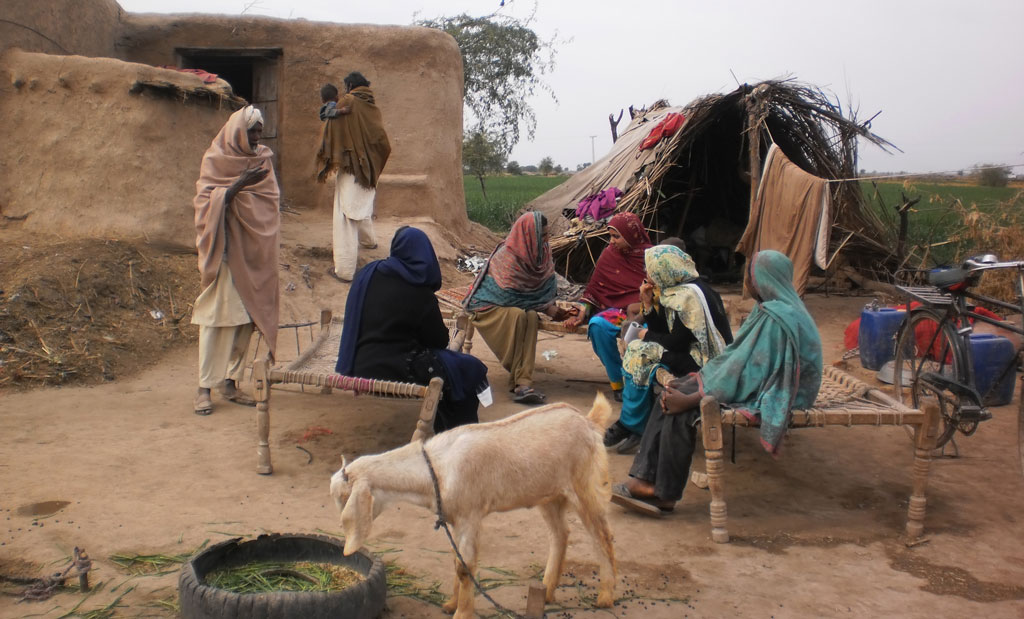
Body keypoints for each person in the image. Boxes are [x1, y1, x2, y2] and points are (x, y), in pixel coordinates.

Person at [610, 250, 823, 517]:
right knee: (673, 390)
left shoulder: (778, 317)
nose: (748, 281)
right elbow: (738, 357)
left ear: (765, 279)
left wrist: (692, 398)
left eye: (751, 275)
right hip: (763, 377)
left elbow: (754, 373)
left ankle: (664, 493)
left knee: (682, 409)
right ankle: (644, 478)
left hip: (785, 388)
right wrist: (696, 384)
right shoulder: (769, 307)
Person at [336, 227, 489, 432]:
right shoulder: (419, 291)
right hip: (398, 370)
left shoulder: (368, 274)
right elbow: (438, 341)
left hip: (360, 363)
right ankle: (456, 436)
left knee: (452, 368)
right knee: (467, 369)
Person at [191, 105, 281, 416]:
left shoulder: (263, 159)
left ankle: (230, 382)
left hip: (254, 255)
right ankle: (204, 387)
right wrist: (237, 185)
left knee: (245, 320)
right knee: (215, 319)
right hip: (226, 254)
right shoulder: (216, 159)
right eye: (252, 131)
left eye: (260, 130)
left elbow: (269, 206)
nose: (258, 136)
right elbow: (206, 205)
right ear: (237, 132)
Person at [603, 245, 730, 453]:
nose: (647, 275)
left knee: (639, 351)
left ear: (664, 268)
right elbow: (662, 330)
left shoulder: (689, 297)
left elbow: (676, 342)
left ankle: (632, 424)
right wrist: (648, 303)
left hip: (704, 360)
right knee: (638, 350)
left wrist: (646, 336)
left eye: (650, 269)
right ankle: (633, 422)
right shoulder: (675, 291)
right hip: (686, 352)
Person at [464, 212, 569, 404]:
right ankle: (521, 381)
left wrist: (547, 306)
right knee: (520, 316)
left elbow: (546, 281)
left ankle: (522, 384)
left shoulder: (541, 252)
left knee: (529, 316)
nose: (547, 239)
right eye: (542, 235)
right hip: (489, 306)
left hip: (520, 304)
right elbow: (507, 295)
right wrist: (546, 308)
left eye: (547, 234)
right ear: (529, 235)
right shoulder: (508, 256)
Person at [564, 212, 653, 402]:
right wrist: (582, 312)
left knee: (644, 334)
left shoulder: (651, 258)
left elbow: (660, 294)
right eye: (610, 236)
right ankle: (617, 382)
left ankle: (639, 382)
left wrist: (640, 308)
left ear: (632, 236)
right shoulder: (609, 255)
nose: (611, 241)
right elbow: (593, 291)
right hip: (617, 311)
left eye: (617, 236)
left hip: (647, 312)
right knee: (597, 325)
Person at [316, 71, 391, 282]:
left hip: (351, 167)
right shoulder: (372, 107)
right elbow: (381, 141)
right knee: (362, 204)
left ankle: (345, 272)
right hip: (369, 168)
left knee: (345, 216)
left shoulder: (348, 102)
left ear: (349, 85)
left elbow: (328, 119)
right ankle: (369, 242)